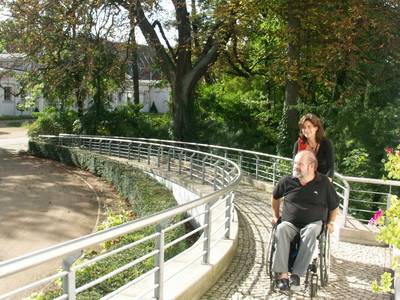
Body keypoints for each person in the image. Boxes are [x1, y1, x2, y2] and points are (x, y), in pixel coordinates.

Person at [271, 150, 339, 291]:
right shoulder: (287, 181)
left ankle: (296, 274)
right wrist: (275, 216)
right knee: (281, 228)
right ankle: (282, 275)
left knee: (311, 231)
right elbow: (275, 197)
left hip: (313, 223)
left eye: (300, 164)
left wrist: (331, 223)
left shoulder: (324, 183)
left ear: (312, 166)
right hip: (290, 223)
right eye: (295, 163)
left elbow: (334, 206)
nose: (295, 166)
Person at [293, 113, 334, 180]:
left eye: (309, 126)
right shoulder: (298, 144)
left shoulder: (326, 143)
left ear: (316, 128)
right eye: (304, 127)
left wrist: (327, 181)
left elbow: (330, 167)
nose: (306, 130)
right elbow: (294, 167)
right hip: (303, 181)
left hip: (321, 182)